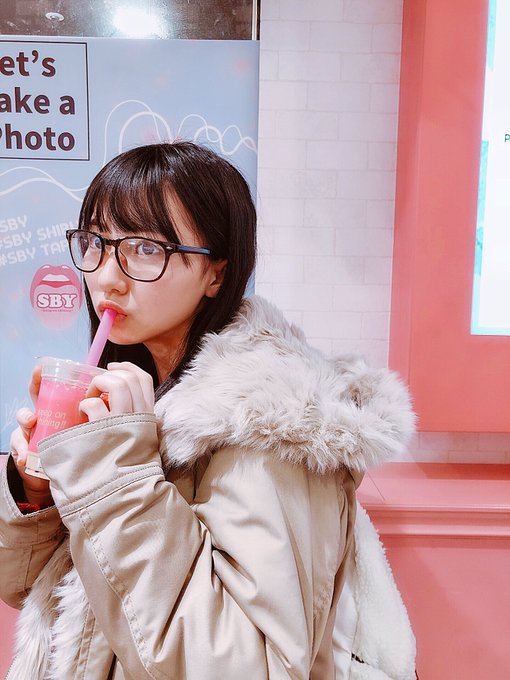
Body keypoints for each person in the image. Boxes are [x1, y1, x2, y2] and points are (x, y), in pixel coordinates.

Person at [0, 141, 416, 680]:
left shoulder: (266, 425)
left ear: (216, 273)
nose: (106, 276)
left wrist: (116, 479)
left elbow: (249, 665)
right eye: (96, 243)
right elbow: (35, 593)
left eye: (145, 248)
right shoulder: (142, 395)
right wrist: (37, 496)